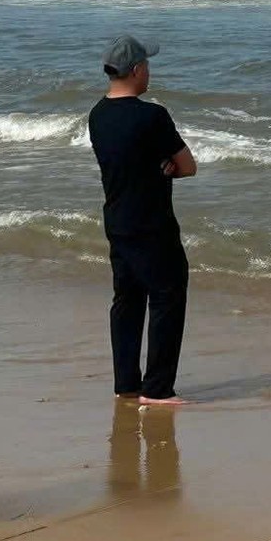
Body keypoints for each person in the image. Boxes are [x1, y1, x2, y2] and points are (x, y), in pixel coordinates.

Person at [88, 35, 196, 406]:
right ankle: (158, 388)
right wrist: (165, 169)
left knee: (127, 299)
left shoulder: (97, 114)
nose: (149, 71)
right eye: (147, 65)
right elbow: (187, 166)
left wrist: (159, 165)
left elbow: (128, 159)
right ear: (136, 70)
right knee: (167, 295)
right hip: (153, 222)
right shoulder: (152, 115)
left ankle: (126, 383)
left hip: (117, 219)